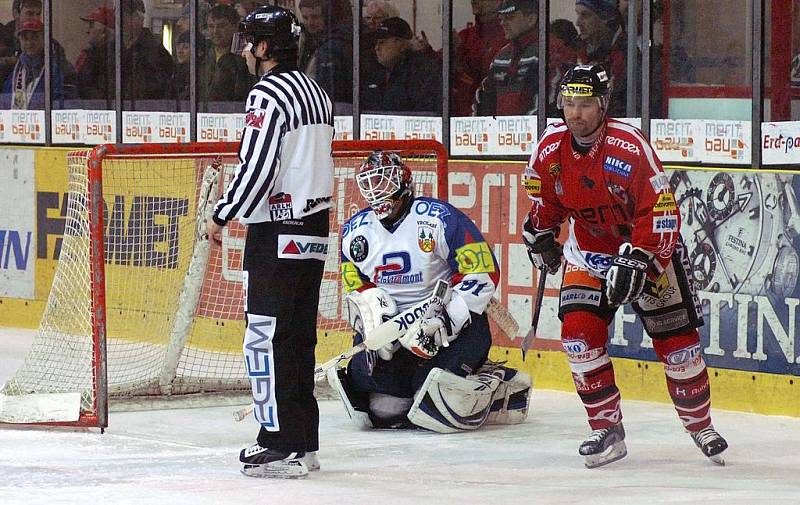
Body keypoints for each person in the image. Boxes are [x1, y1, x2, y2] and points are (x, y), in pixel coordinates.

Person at [521, 63, 729, 468]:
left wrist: (643, 257)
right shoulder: (550, 149)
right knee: (579, 335)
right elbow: (548, 201)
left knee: (679, 348)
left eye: (583, 104)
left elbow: (662, 211)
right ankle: (606, 430)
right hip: (590, 255)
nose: (574, 113)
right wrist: (540, 232)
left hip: (646, 255)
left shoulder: (629, 146)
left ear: (602, 105)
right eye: (568, 103)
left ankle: (700, 426)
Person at [207, 5, 334, 480]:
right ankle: (304, 442)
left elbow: (257, 168)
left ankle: (278, 443)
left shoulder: (268, 93)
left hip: (278, 230)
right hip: (314, 229)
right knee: (298, 338)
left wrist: (220, 213)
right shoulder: (316, 92)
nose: (243, 51)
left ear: (264, 48)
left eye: (249, 42)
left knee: (265, 336)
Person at [331, 151, 531, 433]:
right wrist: (376, 325)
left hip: (454, 329)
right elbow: (357, 287)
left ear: (404, 182)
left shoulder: (440, 219)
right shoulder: (354, 233)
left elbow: (483, 272)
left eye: (385, 182)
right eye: (371, 183)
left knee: (435, 404)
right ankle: (414, 380)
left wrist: (446, 321)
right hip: (399, 333)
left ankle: (494, 379)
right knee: (384, 411)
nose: (378, 191)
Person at [473, 0, 539, 116]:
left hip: (535, 132)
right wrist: (484, 130)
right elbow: (483, 100)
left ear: (531, 19)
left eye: (509, 17)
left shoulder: (549, 51)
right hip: (502, 133)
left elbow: (549, 105)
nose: (502, 23)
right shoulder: (501, 56)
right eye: (501, 18)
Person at [372, 17, 442, 113]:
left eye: (382, 42)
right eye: (376, 43)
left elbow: (426, 113)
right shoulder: (374, 71)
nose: (377, 48)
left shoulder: (422, 72)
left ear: (401, 45)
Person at [0, 19, 75, 109]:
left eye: (34, 37)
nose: (29, 43)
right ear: (19, 40)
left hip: (46, 121)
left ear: (44, 39)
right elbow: (4, 101)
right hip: (19, 121)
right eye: (25, 38)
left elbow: (66, 103)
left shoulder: (57, 67)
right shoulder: (14, 70)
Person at [451, 0, 506, 116]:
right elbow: (443, 69)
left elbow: (486, 71)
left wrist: (460, 50)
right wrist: (426, 51)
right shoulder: (465, 35)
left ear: (498, 2)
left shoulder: (506, 35)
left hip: (488, 115)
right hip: (459, 116)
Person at [574, 0, 627, 116]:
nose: (577, 23)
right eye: (578, 15)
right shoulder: (574, 50)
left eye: (585, 15)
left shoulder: (624, 53)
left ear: (605, 18)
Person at [121, 0, 175, 101]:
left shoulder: (153, 49)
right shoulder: (116, 47)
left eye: (125, 16)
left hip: (144, 108)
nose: (122, 22)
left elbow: (160, 85)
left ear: (138, 18)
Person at [200, 4, 252, 102]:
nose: (215, 31)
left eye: (221, 26)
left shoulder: (246, 59)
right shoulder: (201, 58)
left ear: (235, 26)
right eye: (211, 26)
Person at [75, 4, 115, 101]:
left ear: (104, 33)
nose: (87, 31)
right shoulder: (88, 54)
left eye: (91, 26)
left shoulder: (110, 59)